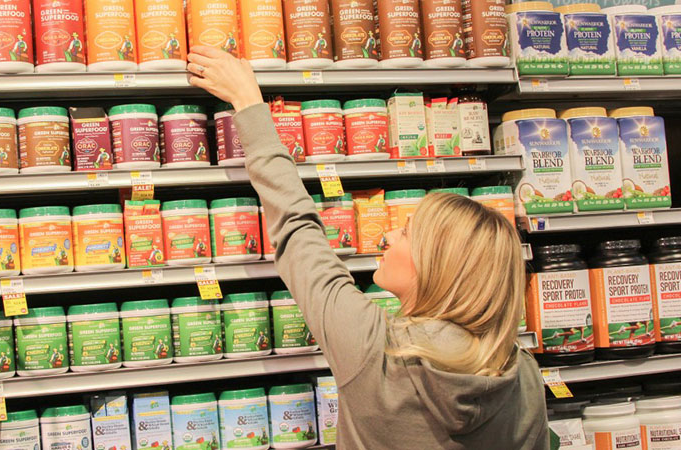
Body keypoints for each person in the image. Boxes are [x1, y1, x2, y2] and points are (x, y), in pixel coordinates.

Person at [186, 45, 549, 449]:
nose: (388, 237)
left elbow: (297, 228)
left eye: (408, 233)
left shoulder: (375, 350)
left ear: (436, 266)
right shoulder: (522, 373)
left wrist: (248, 102)